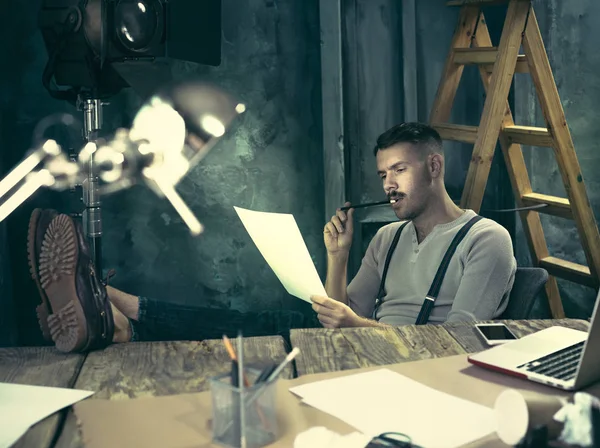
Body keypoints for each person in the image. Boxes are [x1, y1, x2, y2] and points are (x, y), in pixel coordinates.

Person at [27, 122, 516, 353]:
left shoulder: (484, 240)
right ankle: (121, 318)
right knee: (257, 320)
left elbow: (460, 347)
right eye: (383, 173)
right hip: (362, 352)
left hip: (410, 369)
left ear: (434, 166)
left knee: (264, 324)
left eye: (400, 170)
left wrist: (352, 327)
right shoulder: (389, 236)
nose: (387, 184)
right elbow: (340, 313)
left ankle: (115, 308)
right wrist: (338, 257)